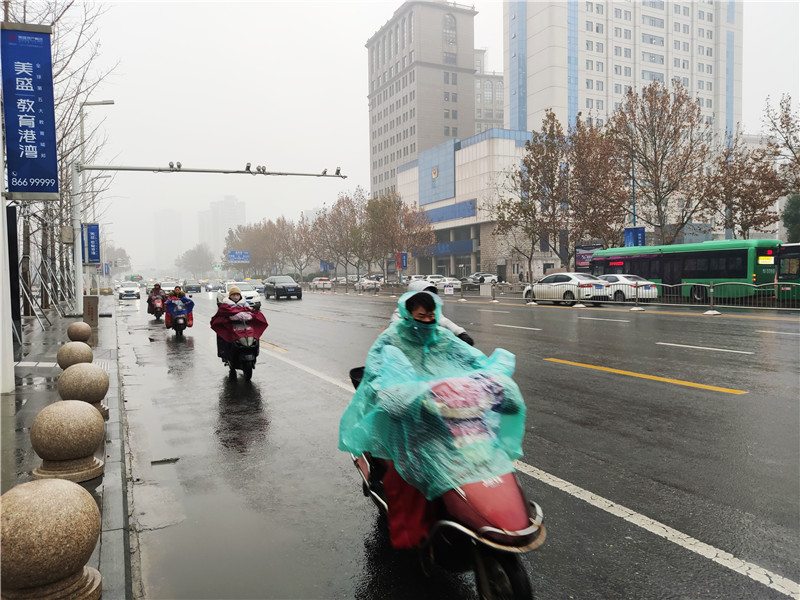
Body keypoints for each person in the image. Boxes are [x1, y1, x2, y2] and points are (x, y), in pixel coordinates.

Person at [339, 290, 525, 549]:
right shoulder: (392, 340)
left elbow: (473, 361)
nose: (426, 320)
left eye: (430, 315)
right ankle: (414, 529)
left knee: (480, 449)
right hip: (406, 419)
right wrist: (407, 395)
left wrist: (490, 380)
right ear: (408, 315)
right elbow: (380, 379)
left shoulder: (443, 336)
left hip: (445, 414)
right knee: (409, 468)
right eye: (420, 315)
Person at [392, 279, 473, 345]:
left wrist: (461, 333)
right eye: (421, 316)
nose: (427, 319)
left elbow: (444, 321)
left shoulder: (432, 312)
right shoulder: (400, 314)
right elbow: (394, 332)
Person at [210, 285, 267, 361]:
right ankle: (226, 355)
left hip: (244, 325)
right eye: (234, 295)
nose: (236, 297)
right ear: (230, 296)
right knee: (223, 336)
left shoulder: (245, 304)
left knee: (254, 336)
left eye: (237, 295)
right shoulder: (225, 305)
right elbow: (221, 314)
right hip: (230, 326)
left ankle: (254, 352)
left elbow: (250, 311)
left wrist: (250, 314)